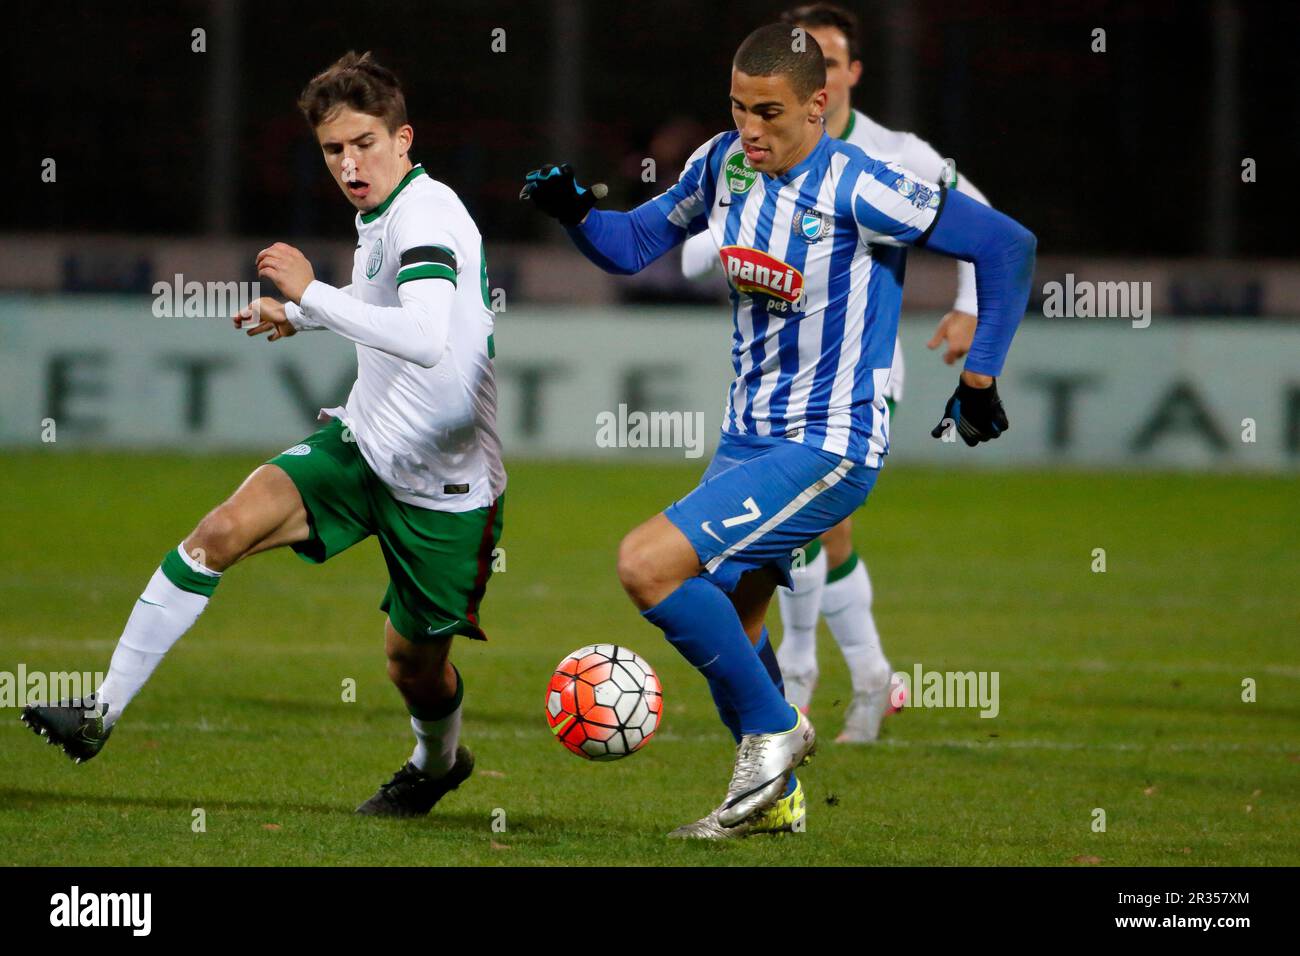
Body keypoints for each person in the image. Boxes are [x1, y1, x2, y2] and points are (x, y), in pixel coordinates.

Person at [522, 24, 1035, 837]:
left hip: (830, 442)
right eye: (737, 107)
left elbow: (1006, 245)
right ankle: (772, 803)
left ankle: (776, 729)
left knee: (646, 566)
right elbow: (632, 248)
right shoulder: (721, 163)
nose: (749, 128)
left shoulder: (862, 186)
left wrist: (980, 378)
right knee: (731, 611)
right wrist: (579, 213)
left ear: (819, 105)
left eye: (769, 111)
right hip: (748, 435)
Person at [23, 51, 506, 819]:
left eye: (364, 143)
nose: (350, 163)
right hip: (363, 447)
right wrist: (305, 312)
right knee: (219, 532)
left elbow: (421, 336)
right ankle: (100, 711)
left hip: (446, 487)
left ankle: (438, 762)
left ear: (404, 137)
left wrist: (309, 289)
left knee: (412, 667)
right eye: (333, 150)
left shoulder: (429, 214)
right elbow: (381, 299)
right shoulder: (383, 210)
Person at [681, 2, 993, 742]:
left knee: (812, 521)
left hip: (859, 367)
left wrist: (971, 309)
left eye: (826, 54)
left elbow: (984, 222)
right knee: (822, 532)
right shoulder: (753, 154)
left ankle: (799, 672)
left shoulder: (895, 153)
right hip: (781, 374)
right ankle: (868, 674)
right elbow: (702, 239)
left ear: (842, 76)